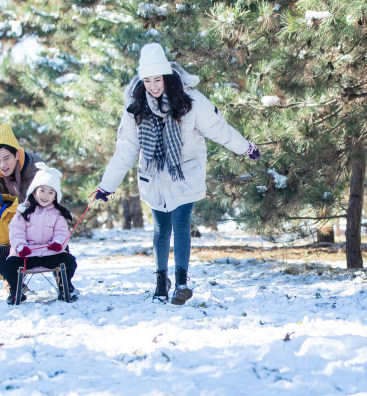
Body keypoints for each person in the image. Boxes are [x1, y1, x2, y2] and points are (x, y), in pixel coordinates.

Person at [94, 42, 260, 304]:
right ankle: (161, 279)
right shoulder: (135, 106)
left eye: (157, 79)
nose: (153, 86)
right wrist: (107, 185)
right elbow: (125, 151)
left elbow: (219, 129)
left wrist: (245, 147)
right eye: (147, 80)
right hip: (154, 174)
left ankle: (181, 282)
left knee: (181, 222)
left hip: (185, 173)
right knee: (161, 228)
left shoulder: (190, 101)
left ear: (167, 77)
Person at [0, 163, 78, 305]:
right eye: (42, 190)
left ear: (55, 196)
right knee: (9, 265)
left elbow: (62, 232)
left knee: (69, 261)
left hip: (49, 253)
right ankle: (15, 290)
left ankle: (63, 287)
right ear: (34, 191)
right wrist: (20, 247)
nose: (45, 196)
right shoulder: (23, 211)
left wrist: (58, 243)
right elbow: (16, 232)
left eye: (51, 192)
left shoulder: (57, 214)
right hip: (26, 254)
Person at [0, 123, 45, 202]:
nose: (2, 165)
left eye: (6, 158)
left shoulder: (36, 165)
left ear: (17, 155)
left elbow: (50, 198)